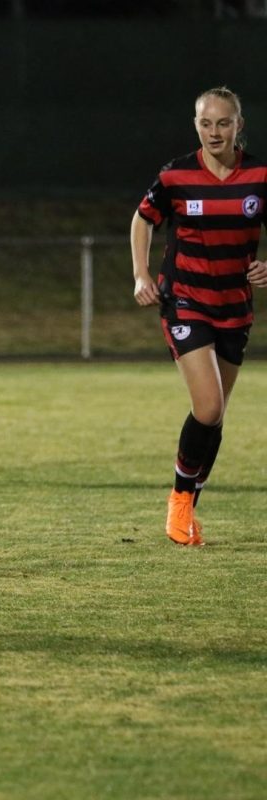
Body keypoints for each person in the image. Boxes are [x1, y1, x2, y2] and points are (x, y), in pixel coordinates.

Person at [131, 85, 267, 546]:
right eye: (206, 122)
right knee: (208, 406)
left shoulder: (260, 175)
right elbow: (142, 219)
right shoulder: (176, 176)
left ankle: (190, 504)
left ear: (238, 126)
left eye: (223, 122)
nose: (214, 131)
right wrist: (139, 274)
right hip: (185, 300)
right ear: (196, 125)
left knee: (215, 417)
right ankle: (179, 499)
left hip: (235, 307)